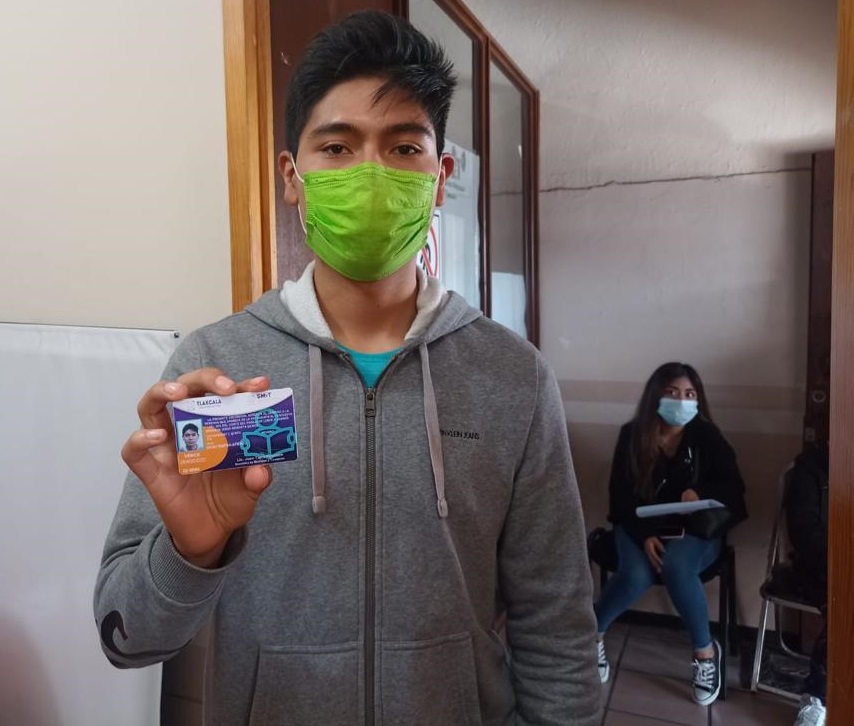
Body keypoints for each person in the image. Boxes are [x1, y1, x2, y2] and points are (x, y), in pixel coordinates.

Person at [93, 10, 601, 725]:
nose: (370, 174)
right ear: (293, 177)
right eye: (336, 146)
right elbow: (125, 638)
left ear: (440, 177)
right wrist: (190, 550)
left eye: (403, 147)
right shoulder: (219, 369)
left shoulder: (513, 377)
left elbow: (558, 624)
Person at [594, 362, 747, 707]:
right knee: (636, 573)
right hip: (639, 524)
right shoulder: (632, 435)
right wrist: (644, 534)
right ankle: (593, 635)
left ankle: (705, 653)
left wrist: (701, 492)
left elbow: (735, 489)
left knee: (676, 566)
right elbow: (619, 497)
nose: (682, 401)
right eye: (673, 392)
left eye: (690, 394)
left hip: (694, 530)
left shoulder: (706, 435)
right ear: (656, 396)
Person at [785, 441, 828, 726]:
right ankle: (817, 696)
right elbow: (804, 534)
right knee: (846, 601)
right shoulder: (810, 467)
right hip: (820, 566)